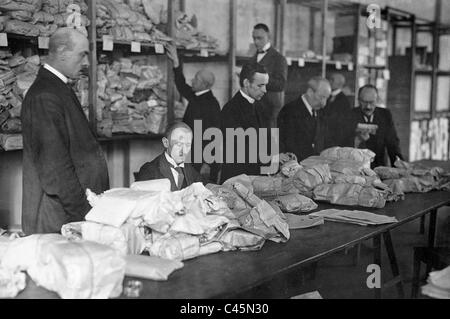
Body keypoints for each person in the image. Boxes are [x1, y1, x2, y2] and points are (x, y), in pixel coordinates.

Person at [21, 28, 109, 235]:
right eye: (82, 54)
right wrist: (83, 213)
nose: (86, 62)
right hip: (58, 216)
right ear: (62, 52)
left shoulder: (57, 88)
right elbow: (55, 168)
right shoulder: (45, 95)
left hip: (67, 213)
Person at [166, 43, 221, 182]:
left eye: (196, 79)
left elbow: (214, 135)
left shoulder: (211, 104)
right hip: (193, 155)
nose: (192, 81)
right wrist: (176, 62)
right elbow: (182, 85)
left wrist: (208, 163)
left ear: (204, 84)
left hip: (203, 161)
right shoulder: (197, 95)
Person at [219, 62, 269, 184]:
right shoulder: (231, 109)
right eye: (260, 85)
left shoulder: (260, 106)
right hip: (236, 179)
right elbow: (240, 150)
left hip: (254, 175)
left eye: (266, 85)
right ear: (246, 83)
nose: (265, 90)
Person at [135, 122, 202, 191]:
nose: (184, 151)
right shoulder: (149, 170)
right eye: (178, 144)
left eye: (187, 145)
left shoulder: (189, 168)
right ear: (166, 143)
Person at [277, 76, 331, 161]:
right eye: (322, 97)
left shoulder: (320, 111)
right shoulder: (290, 111)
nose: (324, 103)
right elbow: (287, 145)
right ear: (310, 92)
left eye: (326, 98)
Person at [351, 84, 403, 168]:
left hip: (379, 167)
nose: (368, 106)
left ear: (377, 100)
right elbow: (343, 145)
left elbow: (393, 143)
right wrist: (357, 140)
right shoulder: (350, 115)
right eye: (364, 102)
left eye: (371, 102)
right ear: (358, 100)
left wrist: (399, 166)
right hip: (355, 168)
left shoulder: (385, 115)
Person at [251, 23, 288, 129]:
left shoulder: (279, 59)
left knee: (268, 143)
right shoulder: (253, 57)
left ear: (269, 37)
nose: (256, 42)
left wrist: (259, 78)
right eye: (254, 38)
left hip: (270, 111)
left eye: (259, 38)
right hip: (254, 109)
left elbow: (281, 85)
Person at [323, 73, 353, 148]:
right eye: (330, 79)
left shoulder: (344, 100)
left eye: (332, 80)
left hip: (336, 139)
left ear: (340, 83)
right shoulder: (326, 96)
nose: (329, 82)